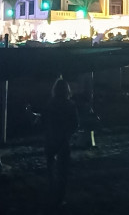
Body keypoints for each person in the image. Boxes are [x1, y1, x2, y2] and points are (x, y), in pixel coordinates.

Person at [43, 77, 79, 208]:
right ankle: (60, 198)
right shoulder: (71, 105)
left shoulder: (50, 104)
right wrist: (67, 134)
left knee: (51, 169)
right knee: (63, 171)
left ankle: (51, 193)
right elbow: (75, 124)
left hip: (51, 139)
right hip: (64, 141)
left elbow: (44, 122)